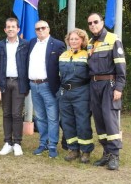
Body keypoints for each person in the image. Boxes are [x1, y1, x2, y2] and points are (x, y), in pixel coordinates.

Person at [86, 13, 127, 170]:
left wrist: (119, 87)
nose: (93, 25)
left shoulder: (113, 39)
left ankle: (115, 155)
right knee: (99, 120)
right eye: (90, 23)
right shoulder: (90, 43)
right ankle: (106, 153)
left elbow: (121, 67)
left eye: (96, 22)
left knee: (110, 120)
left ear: (102, 22)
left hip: (109, 85)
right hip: (94, 85)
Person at [0, 17, 30, 156]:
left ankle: (17, 143)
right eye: (8, 27)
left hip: (19, 83)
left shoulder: (25, 45)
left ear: (18, 29)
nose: (11, 29)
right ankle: (8, 142)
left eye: (13, 26)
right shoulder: (0, 45)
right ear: (5, 29)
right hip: (4, 82)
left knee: (16, 114)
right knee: (6, 113)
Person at [28, 20, 66, 158]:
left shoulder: (58, 44)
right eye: (37, 29)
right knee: (40, 117)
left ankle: (52, 146)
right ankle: (43, 143)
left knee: (52, 118)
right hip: (33, 85)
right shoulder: (32, 43)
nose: (40, 30)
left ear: (48, 29)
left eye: (43, 28)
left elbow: (63, 66)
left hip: (49, 86)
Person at [57, 28, 94, 164]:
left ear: (82, 40)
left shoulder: (88, 55)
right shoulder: (63, 55)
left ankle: (86, 151)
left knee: (82, 123)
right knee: (67, 122)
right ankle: (73, 149)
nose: (73, 41)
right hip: (65, 93)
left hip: (81, 92)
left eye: (76, 39)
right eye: (71, 39)